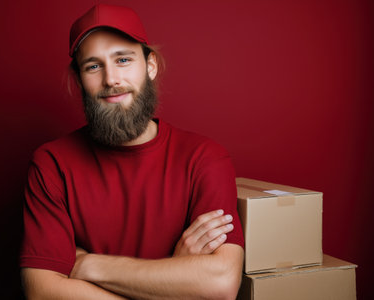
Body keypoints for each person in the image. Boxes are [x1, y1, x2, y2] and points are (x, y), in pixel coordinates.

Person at [20, 4, 244, 299]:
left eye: (123, 59)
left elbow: (221, 283)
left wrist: (89, 265)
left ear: (150, 66)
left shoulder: (204, 158)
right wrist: (174, 281)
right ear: (79, 80)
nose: (111, 79)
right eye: (93, 66)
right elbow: (42, 291)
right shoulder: (52, 164)